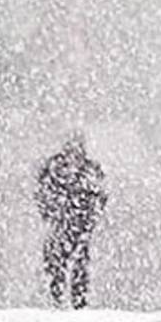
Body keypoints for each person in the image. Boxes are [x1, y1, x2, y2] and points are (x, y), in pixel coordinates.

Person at [34, 132, 107, 309]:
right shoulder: (55, 169)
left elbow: (99, 197)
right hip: (64, 223)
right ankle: (57, 300)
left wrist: (89, 218)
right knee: (57, 261)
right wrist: (53, 212)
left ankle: (76, 301)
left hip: (77, 224)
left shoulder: (87, 171)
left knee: (77, 263)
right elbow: (42, 195)